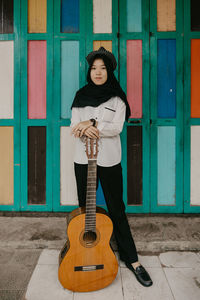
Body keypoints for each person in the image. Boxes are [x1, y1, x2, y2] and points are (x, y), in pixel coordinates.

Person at [70, 47, 153, 287]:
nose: (98, 72)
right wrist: (86, 125)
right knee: (86, 209)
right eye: (94, 68)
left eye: (103, 68)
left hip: (109, 161)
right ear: (89, 71)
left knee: (116, 209)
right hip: (83, 160)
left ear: (109, 71)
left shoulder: (118, 98)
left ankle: (132, 260)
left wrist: (92, 122)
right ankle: (88, 252)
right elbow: (74, 127)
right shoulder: (79, 96)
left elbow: (116, 128)